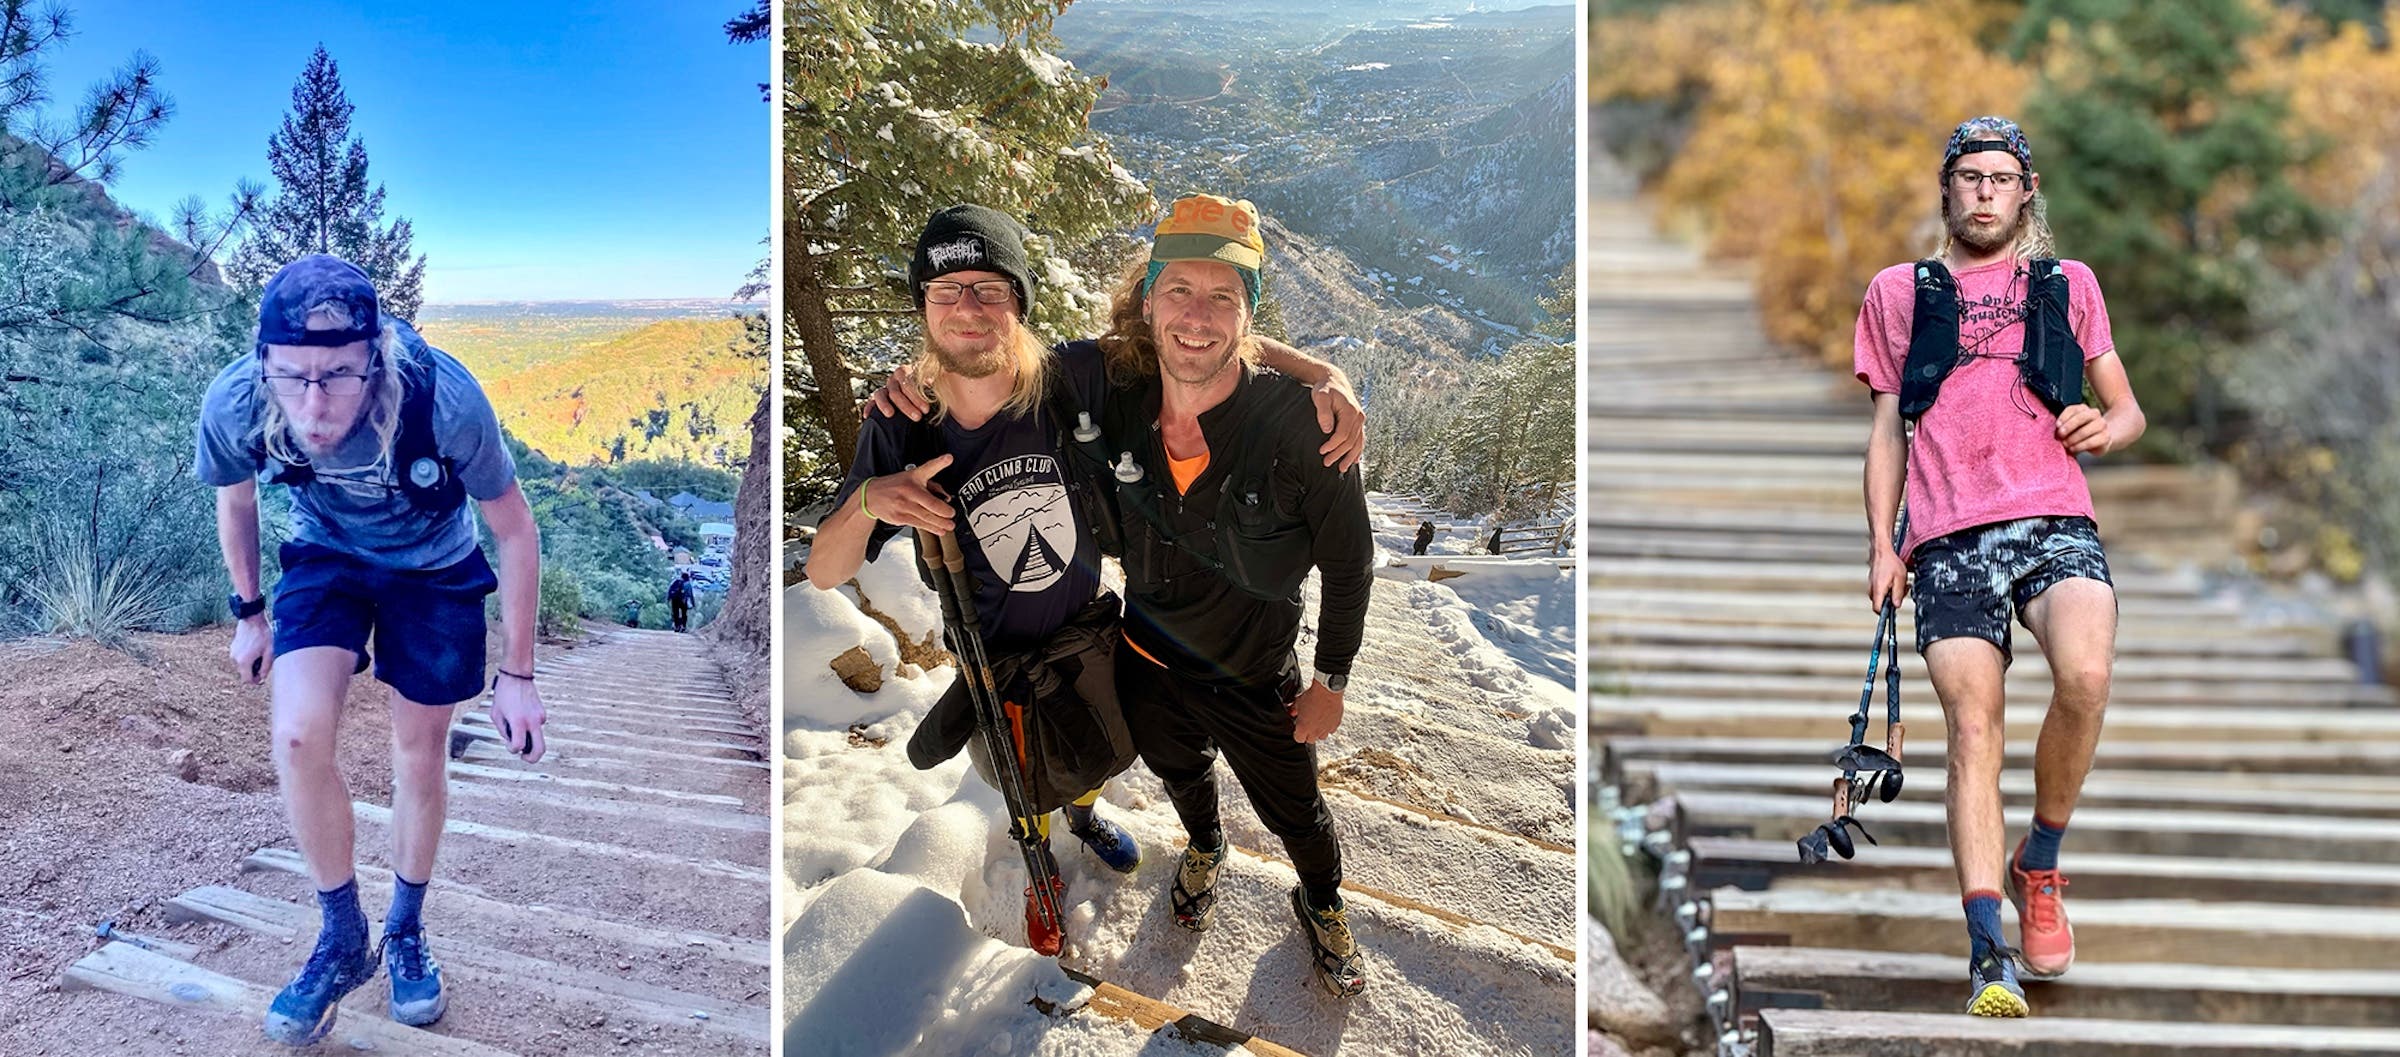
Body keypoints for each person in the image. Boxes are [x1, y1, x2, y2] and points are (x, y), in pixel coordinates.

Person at [808, 204, 1365, 958]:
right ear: (923, 306)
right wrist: (871, 499)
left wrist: (1324, 373)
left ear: (1019, 302)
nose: (969, 306)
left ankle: (1090, 816)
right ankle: (1052, 826)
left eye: (990, 288)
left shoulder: (1069, 380)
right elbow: (825, 569)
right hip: (995, 656)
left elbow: (1196, 339)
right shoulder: (905, 423)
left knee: (1096, 748)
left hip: (1093, 636)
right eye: (946, 289)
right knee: (1028, 774)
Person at [198, 255, 548, 1044]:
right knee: (296, 732)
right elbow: (237, 495)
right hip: (327, 555)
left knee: (418, 754)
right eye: (293, 376)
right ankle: (342, 934)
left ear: (376, 356)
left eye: (338, 375)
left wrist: (518, 675)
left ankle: (406, 928)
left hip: (434, 567)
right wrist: (249, 610)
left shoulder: (443, 397)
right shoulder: (238, 400)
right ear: (265, 363)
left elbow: (516, 529)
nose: (313, 402)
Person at [1853, 117, 2145, 1018]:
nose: (1984, 190)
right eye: (1969, 177)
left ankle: (2041, 859)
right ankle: (1988, 953)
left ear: (2027, 193)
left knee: (2087, 675)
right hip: (1945, 538)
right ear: (1947, 191)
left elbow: (2126, 409)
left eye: (2000, 177)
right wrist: (1881, 544)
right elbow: (1885, 432)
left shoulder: (2069, 284)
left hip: (2056, 518)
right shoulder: (1899, 292)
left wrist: (2106, 427)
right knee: (1972, 733)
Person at [1096, 194, 1376, 997]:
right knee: (1180, 772)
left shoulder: (1302, 426)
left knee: (1300, 816)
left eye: (1225, 295)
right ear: (1147, 300)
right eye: (1178, 289)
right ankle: (1207, 843)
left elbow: (1350, 564)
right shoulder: (1117, 394)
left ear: (1249, 313)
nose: (1197, 315)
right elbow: (994, 367)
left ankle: (1319, 898)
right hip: (1146, 660)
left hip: (1258, 678)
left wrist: (1333, 680)